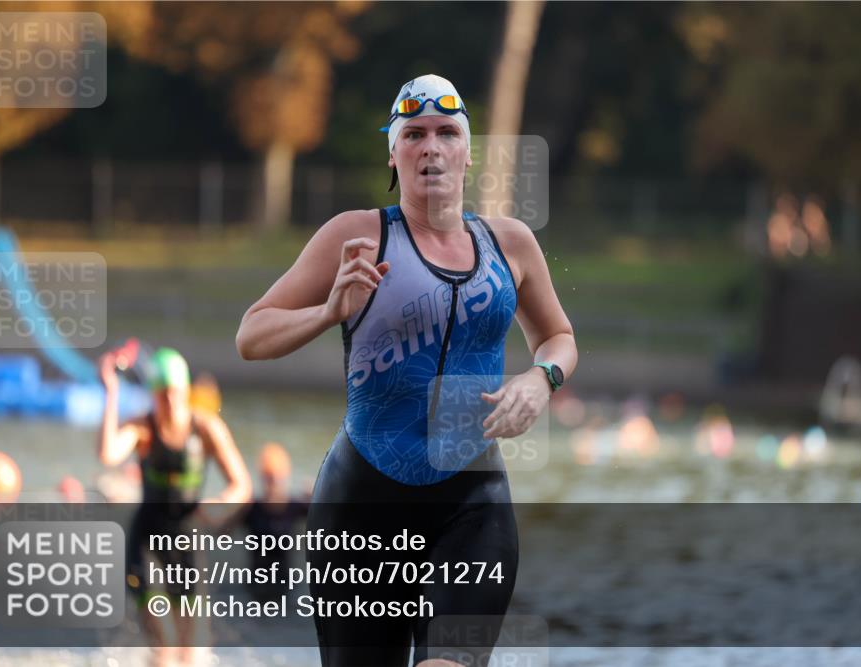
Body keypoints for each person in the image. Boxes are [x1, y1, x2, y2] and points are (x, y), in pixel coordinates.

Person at [236, 73, 577, 667]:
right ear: (392, 154)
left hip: (472, 505)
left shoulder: (511, 243)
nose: (431, 148)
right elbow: (251, 335)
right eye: (414, 134)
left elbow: (559, 338)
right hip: (361, 508)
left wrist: (539, 378)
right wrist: (328, 311)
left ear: (468, 153)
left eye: (447, 133)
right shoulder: (357, 236)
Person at [98, 346, 251, 667]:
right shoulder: (143, 428)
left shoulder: (206, 428)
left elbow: (241, 484)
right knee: (166, 645)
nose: (169, 402)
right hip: (146, 545)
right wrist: (111, 392)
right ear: (153, 394)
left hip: (189, 543)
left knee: (193, 652)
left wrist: (221, 503)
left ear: (186, 391)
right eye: (162, 394)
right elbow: (108, 454)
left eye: (175, 393)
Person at [240, 442, 311, 601]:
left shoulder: (294, 506)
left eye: (277, 478)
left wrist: (317, 492)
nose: (273, 484)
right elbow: (220, 529)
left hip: (286, 583)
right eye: (268, 479)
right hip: (256, 584)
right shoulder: (251, 507)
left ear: (286, 476)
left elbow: (329, 518)